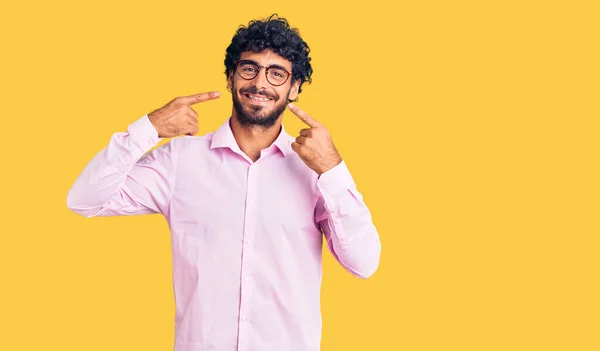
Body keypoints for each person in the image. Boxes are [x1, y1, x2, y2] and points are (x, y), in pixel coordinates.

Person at [66, 14, 381, 351]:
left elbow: (363, 263)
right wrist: (149, 128)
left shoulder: (316, 170)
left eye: (277, 73)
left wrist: (332, 169)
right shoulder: (179, 161)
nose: (260, 83)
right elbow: (84, 200)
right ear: (231, 77)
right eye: (249, 68)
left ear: (295, 88)